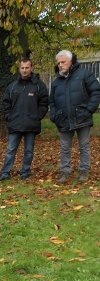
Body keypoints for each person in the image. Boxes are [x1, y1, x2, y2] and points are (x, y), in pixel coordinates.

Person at [50, 50, 100, 183]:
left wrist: (88, 110)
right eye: (59, 63)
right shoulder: (56, 82)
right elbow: (52, 102)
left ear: (71, 61)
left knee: (84, 146)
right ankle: (65, 172)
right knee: (65, 147)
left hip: (82, 117)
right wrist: (55, 116)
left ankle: (84, 171)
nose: (60, 65)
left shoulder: (84, 74)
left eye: (63, 62)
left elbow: (96, 92)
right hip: (63, 120)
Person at [0, 58, 49, 182]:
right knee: (10, 150)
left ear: (31, 68)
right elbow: (6, 103)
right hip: (15, 124)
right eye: (22, 68)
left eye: (27, 68)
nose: (24, 70)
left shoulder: (38, 85)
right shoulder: (12, 86)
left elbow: (44, 103)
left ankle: (25, 172)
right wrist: (9, 116)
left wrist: (37, 116)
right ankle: (5, 173)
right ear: (19, 69)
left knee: (29, 151)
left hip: (31, 124)